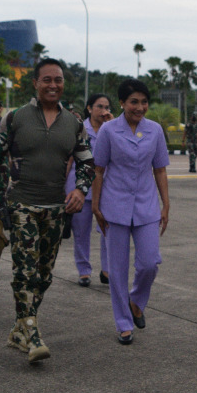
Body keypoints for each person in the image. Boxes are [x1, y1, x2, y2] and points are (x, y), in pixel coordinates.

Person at [0, 58, 95, 364]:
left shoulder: (74, 122)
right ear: (35, 83)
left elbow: (86, 161)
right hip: (21, 204)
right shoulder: (15, 118)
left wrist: (80, 190)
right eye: (47, 80)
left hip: (56, 208)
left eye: (58, 80)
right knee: (25, 269)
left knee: (44, 274)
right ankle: (32, 332)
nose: (53, 85)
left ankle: (19, 329)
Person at [92, 79, 170, 344]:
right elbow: (98, 169)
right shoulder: (108, 131)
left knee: (150, 262)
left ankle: (136, 300)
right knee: (117, 268)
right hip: (114, 206)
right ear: (122, 104)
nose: (140, 107)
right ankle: (123, 322)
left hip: (147, 205)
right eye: (134, 102)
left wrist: (166, 203)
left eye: (144, 102)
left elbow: (159, 169)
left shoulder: (155, 130)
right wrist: (96, 205)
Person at [67, 92, 113, 286]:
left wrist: (113, 124)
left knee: (108, 230)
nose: (104, 111)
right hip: (80, 186)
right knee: (81, 231)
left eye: (107, 107)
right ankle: (84, 270)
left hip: (106, 187)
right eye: (99, 107)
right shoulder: (79, 128)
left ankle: (107, 270)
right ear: (89, 108)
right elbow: (69, 157)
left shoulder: (112, 129)